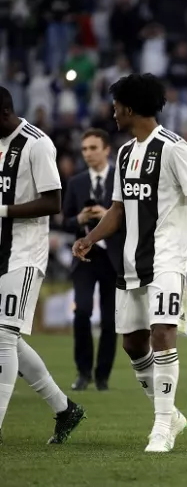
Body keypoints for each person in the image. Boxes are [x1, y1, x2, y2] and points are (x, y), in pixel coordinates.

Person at [71, 74, 187, 453]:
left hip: (167, 258)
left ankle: (162, 426)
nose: (112, 111)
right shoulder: (125, 153)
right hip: (130, 261)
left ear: (129, 108)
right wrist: (90, 238)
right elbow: (118, 208)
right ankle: (170, 413)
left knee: (163, 333)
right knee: (133, 343)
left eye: (115, 105)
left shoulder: (174, 148)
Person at [0, 86, 86, 445]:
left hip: (23, 253)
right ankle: (64, 408)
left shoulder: (37, 144)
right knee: (7, 337)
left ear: (4, 113)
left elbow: (54, 202)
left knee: (4, 336)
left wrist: (4, 211)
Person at [62, 129, 122, 391]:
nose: (88, 153)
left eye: (93, 148)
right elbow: (64, 220)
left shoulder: (122, 180)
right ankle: (83, 372)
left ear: (107, 149)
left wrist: (108, 214)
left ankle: (103, 376)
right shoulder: (76, 183)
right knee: (82, 311)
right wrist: (80, 220)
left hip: (112, 257)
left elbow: (132, 216)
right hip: (85, 258)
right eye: (84, 149)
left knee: (110, 319)